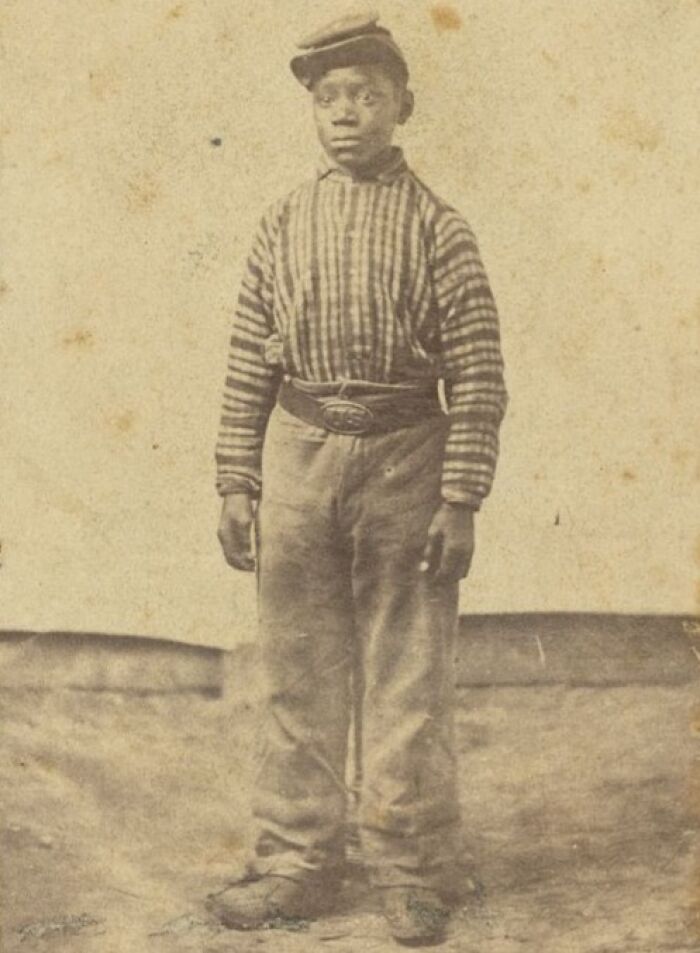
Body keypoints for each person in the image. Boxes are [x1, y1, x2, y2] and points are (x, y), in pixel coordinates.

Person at [208, 12, 507, 946]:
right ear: (311, 108)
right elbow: (249, 362)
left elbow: (480, 373)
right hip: (297, 457)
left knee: (406, 675)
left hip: (408, 460)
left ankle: (418, 870)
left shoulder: (439, 228)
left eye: (367, 95)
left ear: (400, 106)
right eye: (330, 97)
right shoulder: (281, 223)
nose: (347, 113)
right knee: (297, 669)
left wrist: (460, 499)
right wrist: (235, 479)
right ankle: (296, 860)